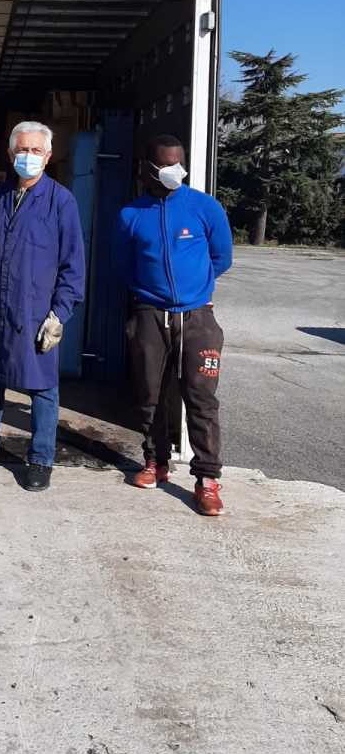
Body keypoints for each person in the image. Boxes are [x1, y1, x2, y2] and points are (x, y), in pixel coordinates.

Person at [0, 121, 85, 491]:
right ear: (10, 154)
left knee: (42, 388)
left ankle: (40, 459)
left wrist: (59, 314)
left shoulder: (61, 201)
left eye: (36, 151)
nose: (28, 156)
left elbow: (73, 265)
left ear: (48, 156)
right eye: (22, 150)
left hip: (34, 309)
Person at [113, 134, 233, 516]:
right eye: (166, 165)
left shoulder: (205, 207)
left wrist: (194, 291)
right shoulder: (131, 215)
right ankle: (156, 462)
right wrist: (151, 295)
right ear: (147, 168)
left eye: (178, 164)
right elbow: (122, 265)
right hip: (150, 315)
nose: (174, 171)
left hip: (198, 318)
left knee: (201, 398)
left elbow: (222, 257)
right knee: (150, 394)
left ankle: (207, 480)